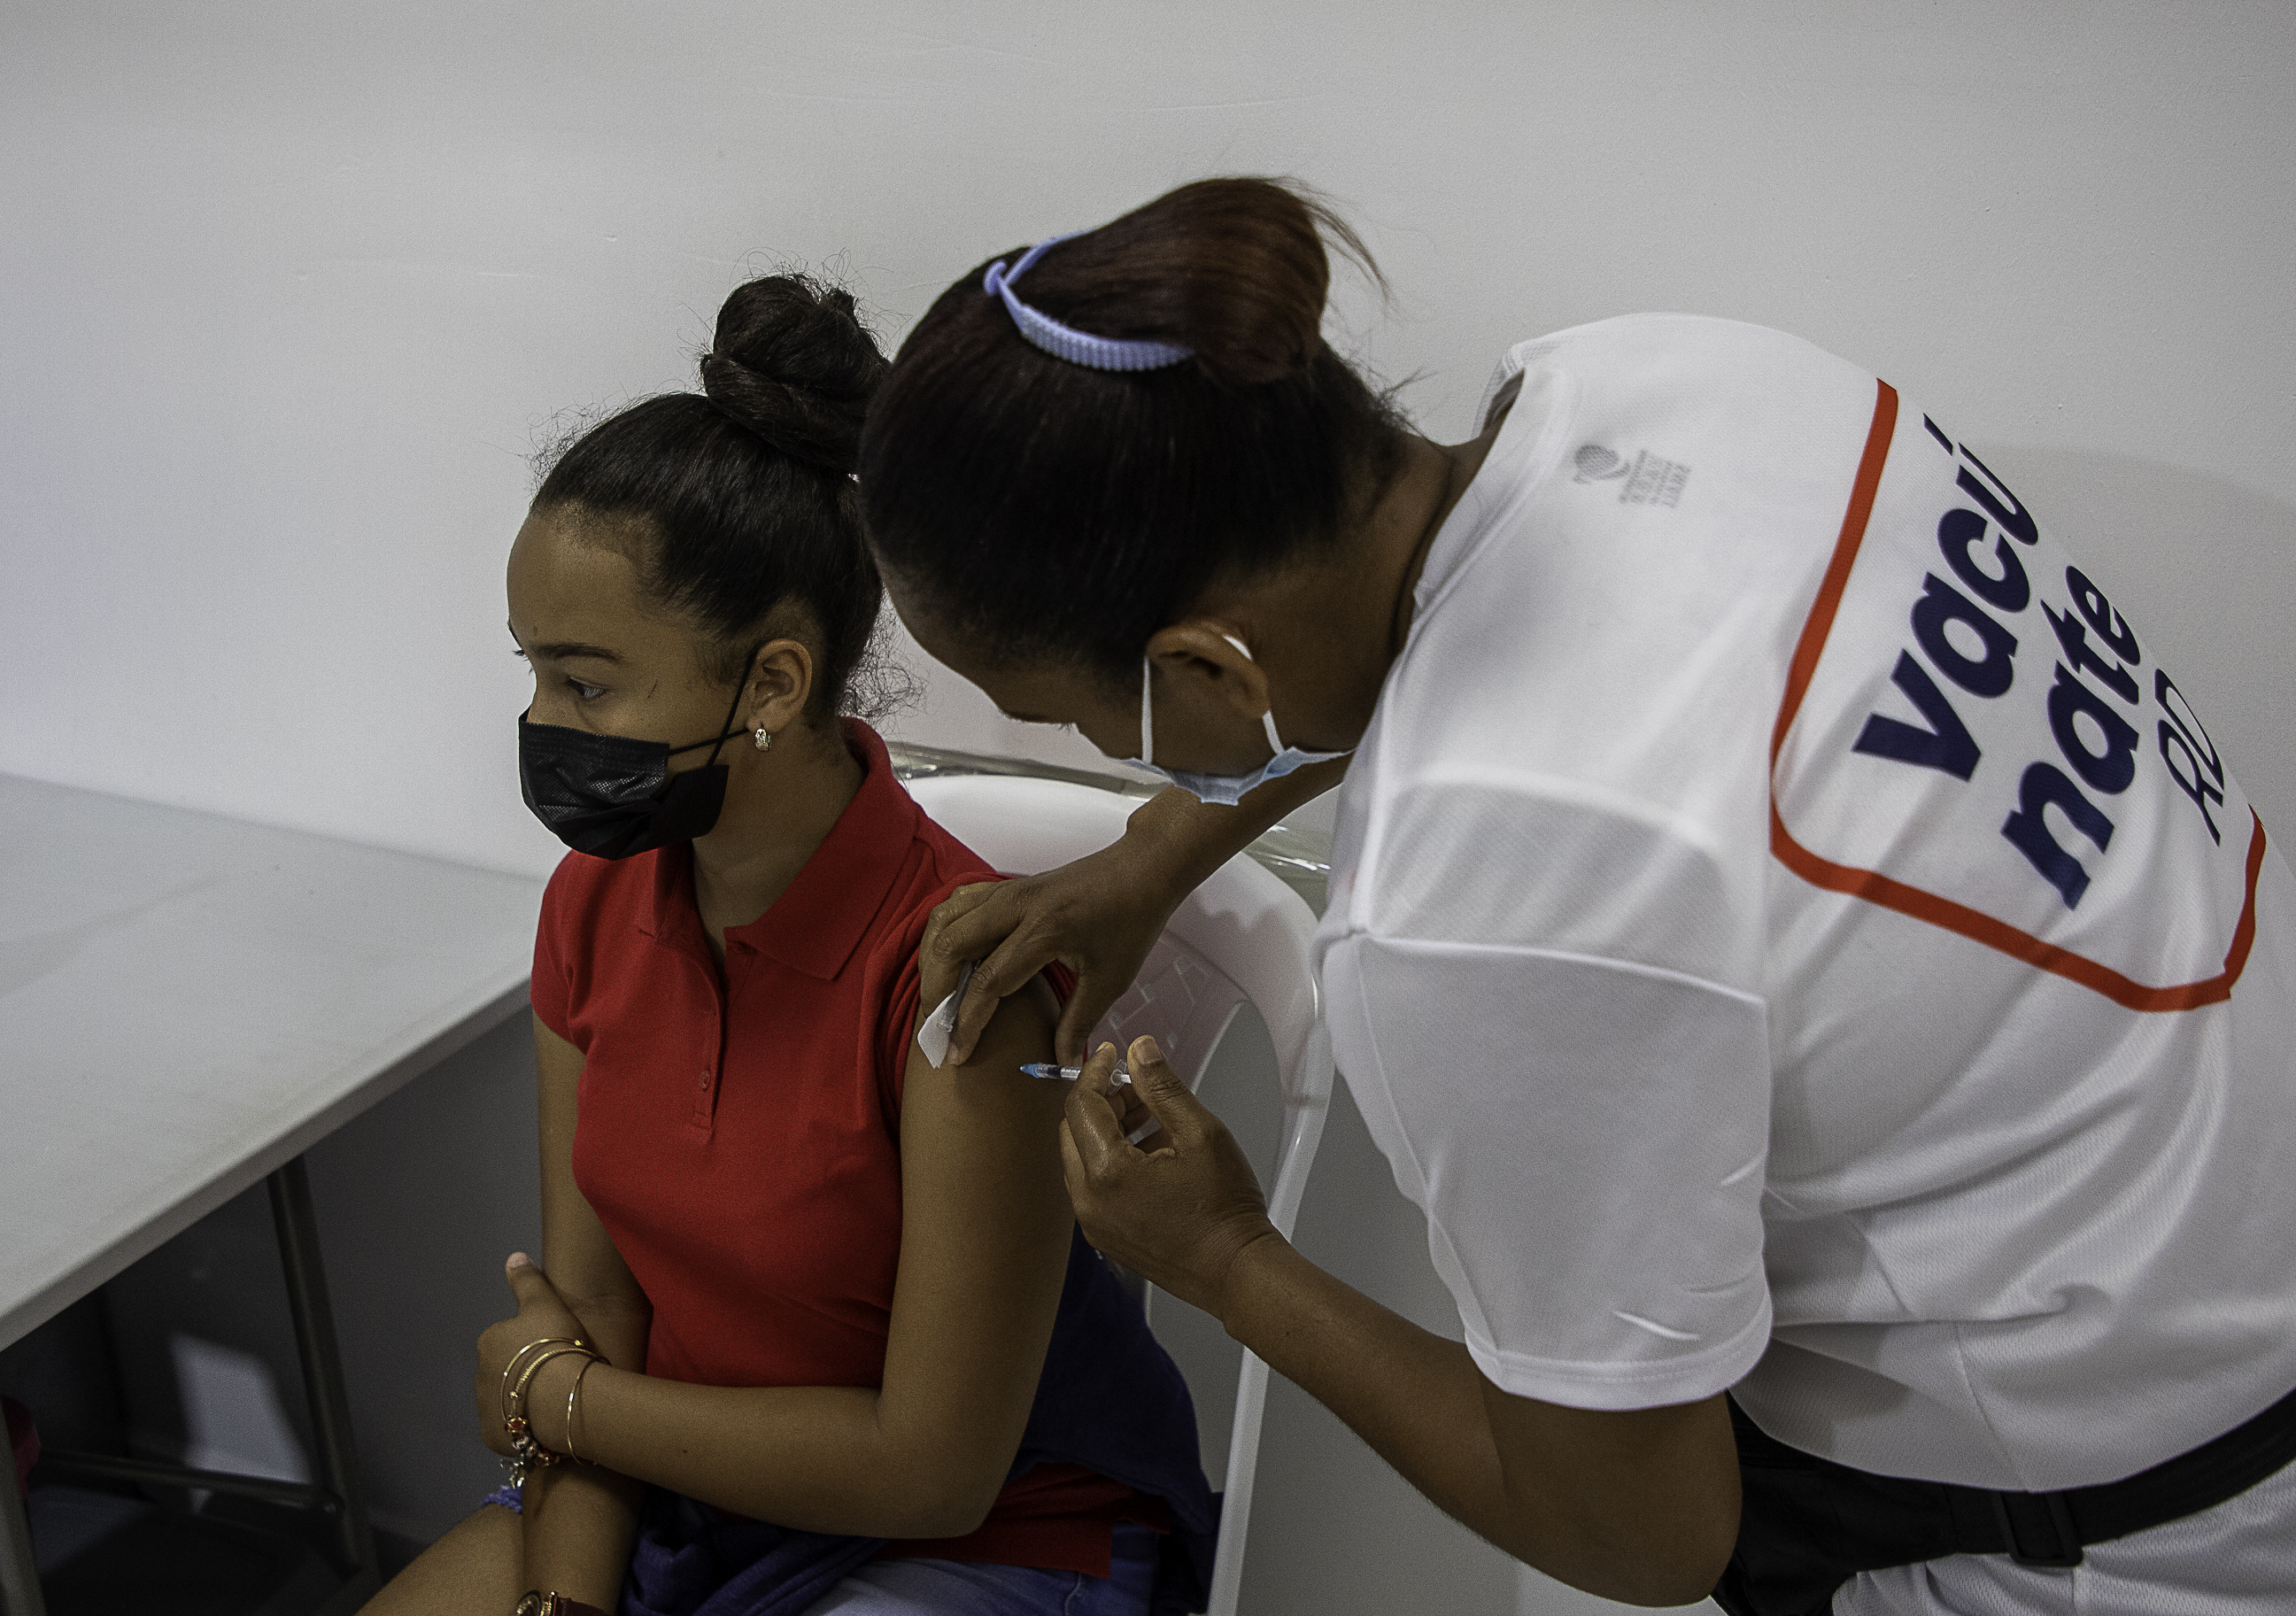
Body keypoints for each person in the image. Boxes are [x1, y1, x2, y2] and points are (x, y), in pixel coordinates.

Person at [854, 179, 2296, 1613]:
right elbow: (1540, 676)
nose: (1099, 749)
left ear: (1211, 667)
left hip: (2134, 1527)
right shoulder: (1669, 380)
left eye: (1074, 718)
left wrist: (1223, 1257)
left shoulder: (1473, 927)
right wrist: (1152, 853)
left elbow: (1639, 1536)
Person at [364, 274, 1216, 1616]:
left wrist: (554, 1396)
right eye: (531, 670)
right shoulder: (592, 907)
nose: (541, 723)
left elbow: (929, 1470)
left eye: (584, 682)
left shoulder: (962, 973)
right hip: (677, 1482)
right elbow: (595, 1318)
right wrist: (562, 1605)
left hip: (982, 1533)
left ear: (772, 682)